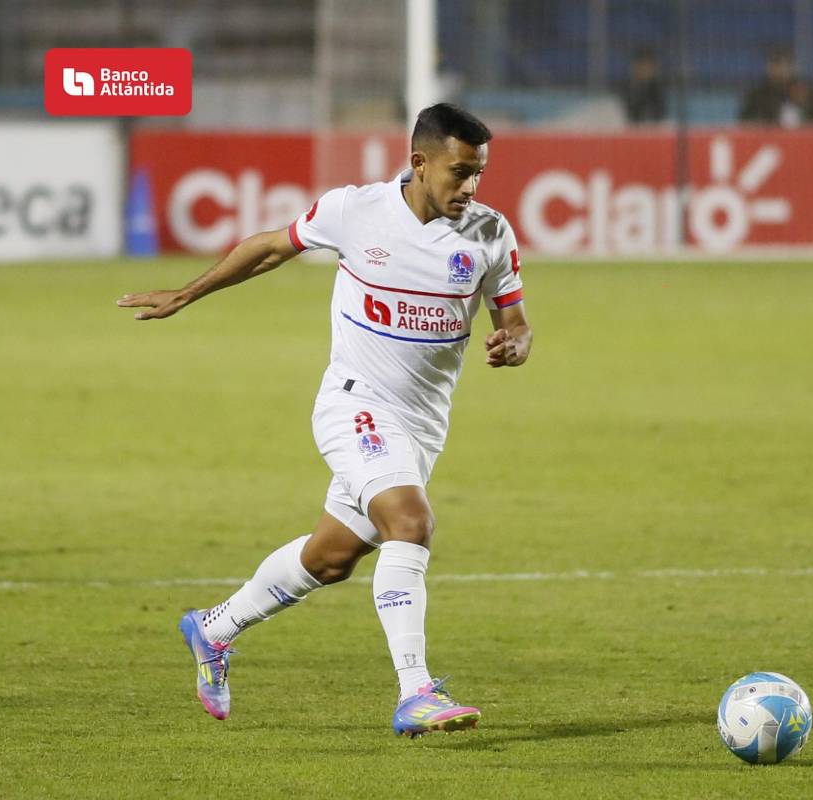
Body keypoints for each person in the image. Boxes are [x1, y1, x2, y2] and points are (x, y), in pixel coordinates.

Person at [117, 103, 532, 734]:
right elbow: (267, 249)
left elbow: (516, 322)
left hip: (421, 427)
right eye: (460, 172)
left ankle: (213, 629)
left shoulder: (489, 233)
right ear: (419, 163)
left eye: (479, 173)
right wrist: (185, 293)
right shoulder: (355, 210)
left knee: (331, 558)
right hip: (354, 404)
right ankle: (416, 690)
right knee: (410, 522)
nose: (471, 186)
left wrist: (513, 345)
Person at [739, 49, 813, 127]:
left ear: (791, 67)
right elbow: (745, 122)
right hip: (768, 141)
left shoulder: (807, 93)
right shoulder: (756, 95)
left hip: (802, 141)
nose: (779, 70)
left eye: (784, 64)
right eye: (775, 64)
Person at [621, 48, 667, 123]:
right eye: (642, 67)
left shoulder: (660, 90)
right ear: (635, 67)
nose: (645, 71)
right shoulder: (625, 89)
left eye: (649, 67)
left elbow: (660, 115)